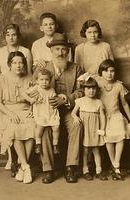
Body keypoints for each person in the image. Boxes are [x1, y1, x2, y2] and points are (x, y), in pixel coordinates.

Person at [33, 33, 83, 184]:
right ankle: (48, 169)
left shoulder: (76, 68)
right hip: (47, 112)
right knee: (43, 130)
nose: (60, 53)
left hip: (68, 110)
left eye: (63, 49)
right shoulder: (42, 68)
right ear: (51, 51)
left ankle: (70, 167)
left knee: (77, 126)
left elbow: (81, 91)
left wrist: (65, 98)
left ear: (68, 51)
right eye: (57, 49)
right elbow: (32, 87)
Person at [0, 23, 32, 173]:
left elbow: (28, 75)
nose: (11, 37)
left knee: (31, 127)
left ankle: (23, 165)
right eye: (8, 34)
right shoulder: (0, 53)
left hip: (23, 97)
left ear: (18, 35)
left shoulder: (25, 52)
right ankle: (13, 159)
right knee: (11, 125)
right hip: (7, 99)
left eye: (14, 34)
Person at [97, 59, 130, 180]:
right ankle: (114, 165)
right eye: (106, 71)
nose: (109, 74)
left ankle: (116, 165)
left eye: (112, 71)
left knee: (120, 137)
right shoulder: (97, 84)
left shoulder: (119, 85)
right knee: (108, 139)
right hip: (104, 117)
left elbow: (124, 104)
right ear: (101, 72)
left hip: (116, 115)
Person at [71, 77, 108, 181]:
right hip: (85, 130)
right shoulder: (80, 101)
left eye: (93, 89)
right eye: (88, 89)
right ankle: (85, 170)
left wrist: (102, 129)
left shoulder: (98, 102)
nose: (91, 91)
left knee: (96, 151)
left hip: (95, 130)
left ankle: (99, 171)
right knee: (86, 151)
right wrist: (75, 117)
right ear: (84, 89)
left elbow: (102, 117)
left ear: (96, 90)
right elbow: (73, 113)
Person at [22, 68, 60, 155]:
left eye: (47, 80)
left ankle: (55, 144)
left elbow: (54, 99)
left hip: (50, 111)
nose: (44, 82)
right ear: (37, 81)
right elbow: (24, 94)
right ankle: (38, 143)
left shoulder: (51, 90)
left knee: (56, 127)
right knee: (39, 128)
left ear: (50, 81)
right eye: (41, 80)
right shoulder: (36, 88)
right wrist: (31, 99)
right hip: (41, 112)